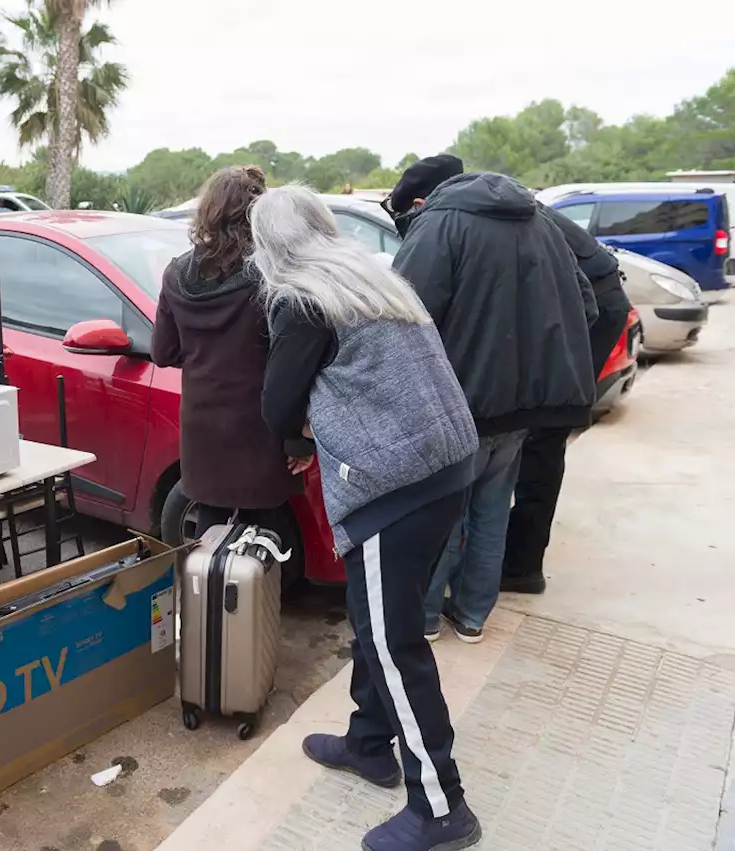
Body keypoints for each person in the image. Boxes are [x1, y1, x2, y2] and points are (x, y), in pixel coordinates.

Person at [253, 185, 481, 851]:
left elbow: (275, 404)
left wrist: (295, 439)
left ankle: (442, 806)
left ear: (268, 248)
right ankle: (370, 741)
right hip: (445, 465)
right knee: (376, 614)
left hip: (394, 483)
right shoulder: (373, 278)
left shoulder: (302, 297)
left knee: (392, 640)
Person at [386, 155, 597, 643]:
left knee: (444, 514)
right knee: (491, 511)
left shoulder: (440, 225)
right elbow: (585, 305)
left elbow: (402, 315)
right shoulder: (540, 221)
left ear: (422, 201)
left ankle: (422, 620)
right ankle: (473, 615)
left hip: (461, 402)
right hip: (524, 407)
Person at [150, 165, 302, 547]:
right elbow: (294, 365)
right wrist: (301, 439)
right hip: (262, 428)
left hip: (203, 428)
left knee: (210, 527)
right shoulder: (274, 276)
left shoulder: (176, 272)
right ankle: (257, 606)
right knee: (267, 533)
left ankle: (209, 603)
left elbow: (163, 352)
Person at [501, 210, 632, 594]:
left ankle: (522, 567)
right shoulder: (505, 206)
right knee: (538, 436)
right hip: (595, 301)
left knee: (543, 436)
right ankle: (516, 551)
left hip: (592, 308)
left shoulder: (493, 217)